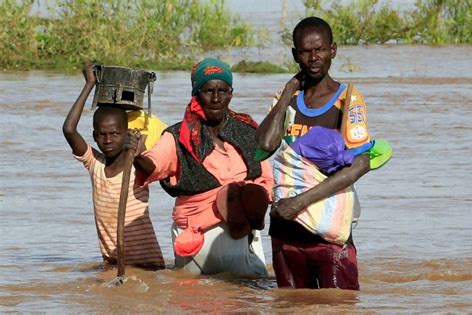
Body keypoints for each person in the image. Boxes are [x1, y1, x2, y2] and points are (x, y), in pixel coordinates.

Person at [256, 16, 372, 290]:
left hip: (328, 233)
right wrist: (286, 95)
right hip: (285, 231)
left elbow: (359, 165)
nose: (313, 57)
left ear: (333, 49)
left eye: (319, 49)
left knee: (338, 307)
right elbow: (265, 146)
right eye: (306, 52)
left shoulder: (348, 99)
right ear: (295, 55)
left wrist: (299, 202)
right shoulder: (287, 99)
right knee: (290, 307)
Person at [131, 57, 273, 276]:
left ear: (231, 94)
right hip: (195, 233)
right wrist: (137, 156)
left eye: (222, 91)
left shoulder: (248, 130)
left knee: (249, 297)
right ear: (196, 95)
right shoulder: (177, 136)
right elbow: (154, 165)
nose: (216, 98)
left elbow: (266, 179)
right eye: (208, 91)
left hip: (243, 231)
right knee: (196, 299)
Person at [62, 64, 165, 270]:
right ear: (94, 136)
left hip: (148, 265)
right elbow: (69, 129)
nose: (108, 140)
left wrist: (137, 153)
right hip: (113, 263)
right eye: (102, 134)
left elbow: (152, 167)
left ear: (126, 134)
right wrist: (89, 84)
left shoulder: (136, 165)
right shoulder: (95, 165)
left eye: (115, 134)